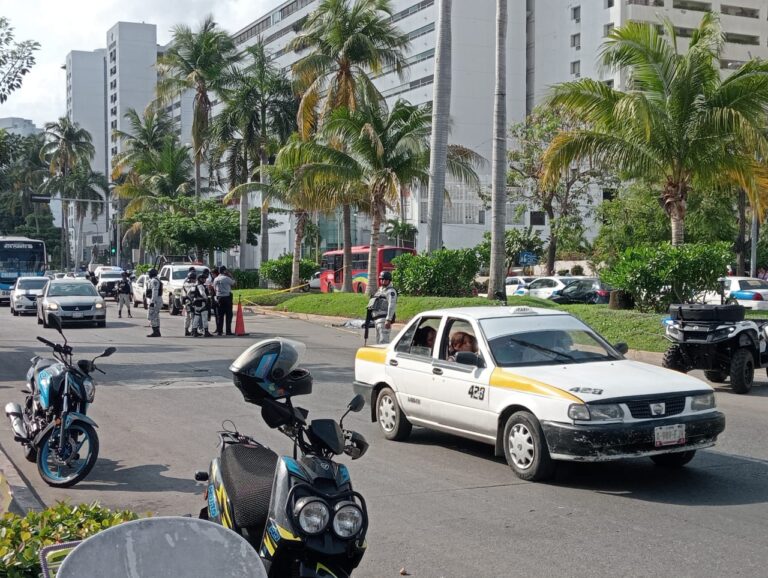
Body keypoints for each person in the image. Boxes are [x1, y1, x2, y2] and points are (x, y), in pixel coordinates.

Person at [368, 271, 397, 344]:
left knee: (383, 341)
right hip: (376, 320)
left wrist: (388, 319)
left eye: (385, 279)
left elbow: (392, 305)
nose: (383, 281)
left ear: (389, 280)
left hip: (384, 320)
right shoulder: (380, 290)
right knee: (378, 342)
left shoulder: (391, 291)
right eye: (381, 279)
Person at [213, 265, 237, 335]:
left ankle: (219, 331)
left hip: (218, 297)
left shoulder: (216, 279)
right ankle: (228, 331)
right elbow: (234, 283)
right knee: (228, 315)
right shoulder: (226, 278)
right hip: (227, 297)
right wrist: (231, 276)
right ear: (224, 271)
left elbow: (214, 288)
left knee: (220, 315)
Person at [191, 272, 213, 338]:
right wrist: (206, 298)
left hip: (196, 304)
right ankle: (206, 332)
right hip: (202, 303)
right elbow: (202, 293)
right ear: (200, 279)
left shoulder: (194, 286)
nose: (205, 280)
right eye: (203, 279)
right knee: (204, 318)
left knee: (196, 317)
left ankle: (194, 331)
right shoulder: (200, 286)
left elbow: (189, 294)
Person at [146, 268, 162, 337]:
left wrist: (152, 302)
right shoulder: (155, 280)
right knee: (155, 316)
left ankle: (156, 331)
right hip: (157, 300)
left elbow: (155, 292)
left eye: (149, 273)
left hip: (155, 300)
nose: (148, 274)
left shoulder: (154, 281)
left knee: (151, 316)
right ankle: (157, 331)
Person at [182, 270, 198, 337]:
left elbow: (182, 295)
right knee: (193, 317)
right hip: (192, 303)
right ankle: (193, 331)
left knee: (187, 317)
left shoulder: (184, 284)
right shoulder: (194, 285)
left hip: (186, 303)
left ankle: (186, 330)